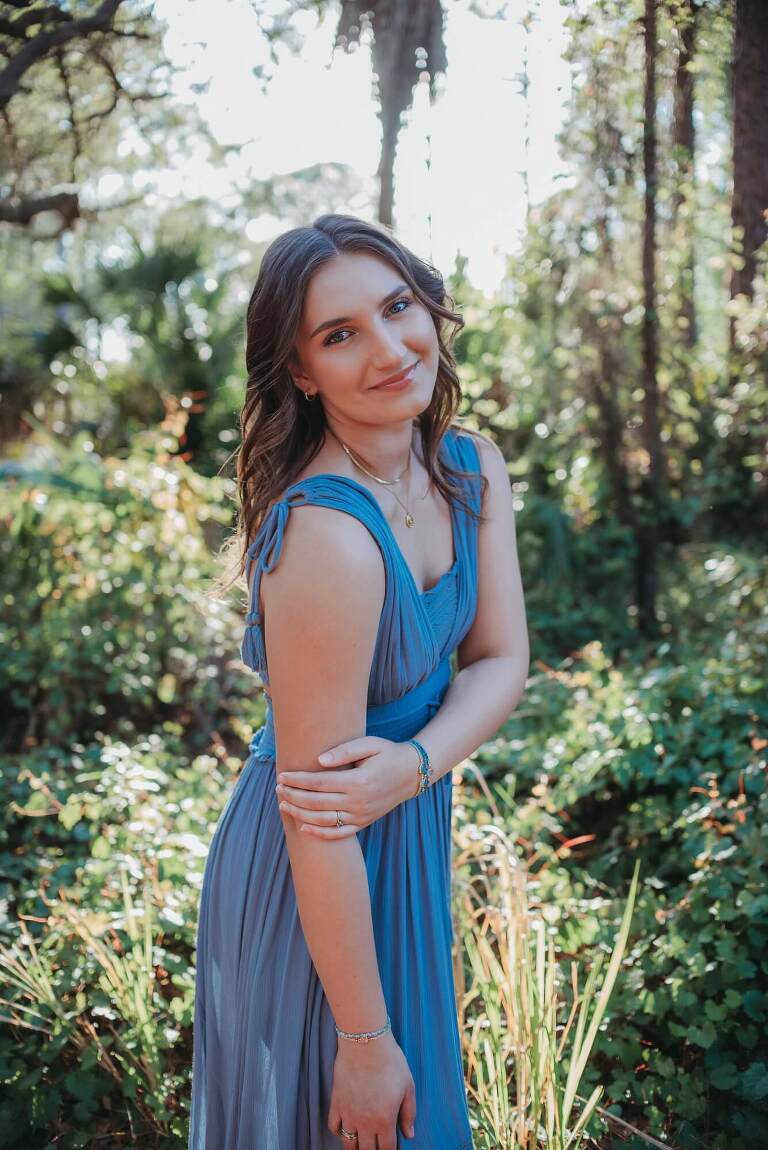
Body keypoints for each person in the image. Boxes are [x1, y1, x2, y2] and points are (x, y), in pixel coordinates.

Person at [188, 213, 529, 1149]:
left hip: (404, 827)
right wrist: (365, 1040)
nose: (389, 349)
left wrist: (412, 766)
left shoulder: (470, 468)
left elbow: (503, 660)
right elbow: (319, 810)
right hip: (314, 873)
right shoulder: (328, 540)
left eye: (397, 307)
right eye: (340, 335)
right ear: (301, 371)